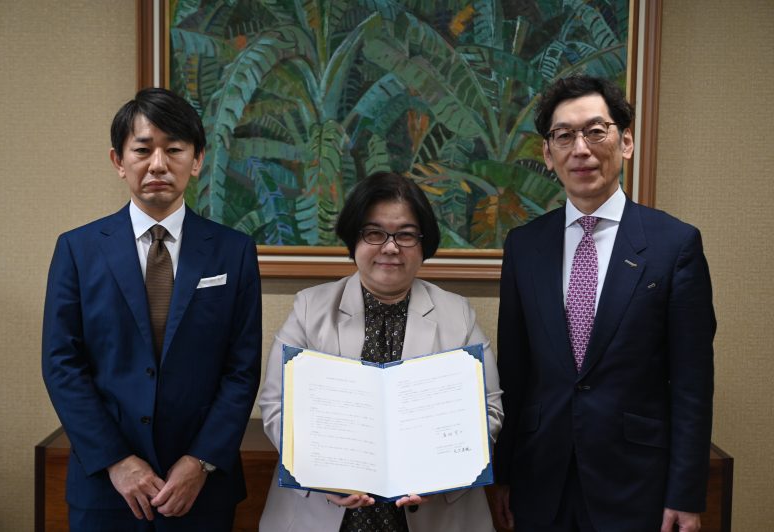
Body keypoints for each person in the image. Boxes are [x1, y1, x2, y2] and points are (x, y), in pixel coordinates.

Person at [492, 74, 716, 532]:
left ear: (625, 142)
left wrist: (686, 494)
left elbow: (692, 384)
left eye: (596, 131)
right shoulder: (524, 246)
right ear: (548, 153)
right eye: (564, 136)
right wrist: (503, 475)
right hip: (540, 481)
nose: (581, 149)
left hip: (636, 484)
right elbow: (514, 372)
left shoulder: (675, 245)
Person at [42, 87, 262, 531]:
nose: (158, 164)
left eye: (174, 150)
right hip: (105, 487)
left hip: (201, 489)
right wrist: (117, 461)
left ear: (197, 160)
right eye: (142, 150)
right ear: (118, 161)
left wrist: (200, 461)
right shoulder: (78, 249)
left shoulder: (234, 251)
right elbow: (62, 364)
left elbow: (241, 369)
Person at [257, 172, 504, 532]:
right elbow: (275, 405)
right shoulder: (310, 308)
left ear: (424, 243)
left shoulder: (458, 314)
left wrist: (441, 473)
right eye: (374, 233)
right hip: (322, 510)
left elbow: (489, 410)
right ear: (354, 239)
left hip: (435, 511)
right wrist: (324, 475)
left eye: (406, 235)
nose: (390, 248)